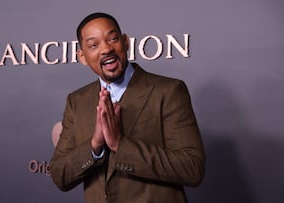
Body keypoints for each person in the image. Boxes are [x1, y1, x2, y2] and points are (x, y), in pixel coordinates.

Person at [50, 12, 205, 203]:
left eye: (113, 39)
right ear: (82, 57)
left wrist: (119, 145)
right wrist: (95, 144)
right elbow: (59, 174)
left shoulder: (168, 91)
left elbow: (191, 168)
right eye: (94, 45)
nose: (106, 48)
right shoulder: (77, 101)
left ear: (125, 42)